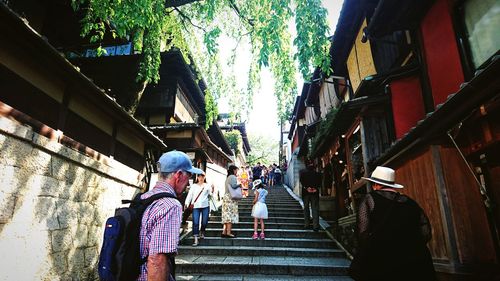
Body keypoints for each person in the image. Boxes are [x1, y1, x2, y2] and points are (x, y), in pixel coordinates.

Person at [349, 166, 436, 281]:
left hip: (383, 260)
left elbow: (362, 232)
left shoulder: (370, 199)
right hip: (415, 261)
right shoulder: (411, 203)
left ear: (376, 185)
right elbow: (426, 232)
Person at [138, 150, 203, 281]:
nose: (188, 183)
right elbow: (157, 259)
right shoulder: (170, 205)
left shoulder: (143, 198)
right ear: (178, 175)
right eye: (189, 176)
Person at [184, 172, 214, 246]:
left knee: (204, 221)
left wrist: (212, 190)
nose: (201, 178)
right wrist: (186, 203)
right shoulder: (194, 186)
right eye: (199, 177)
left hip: (205, 206)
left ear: (204, 177)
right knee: (196, 222)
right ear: (197, 177)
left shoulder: (207, 186)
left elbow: (210, 196)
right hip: (196, 206)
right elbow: (190, 195)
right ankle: (196, 239)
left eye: (202, 177)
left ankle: (202, 231)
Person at [299, 159, 321, 231]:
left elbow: (302, 182)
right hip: (314, 193)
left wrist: (307, 188)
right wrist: (315, 188)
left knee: (306, 208)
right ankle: (316, 226)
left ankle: (307, 224)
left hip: (306, 193)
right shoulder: (317, 174)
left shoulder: (303, 174)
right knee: (315, 209)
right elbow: (319, 182)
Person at [221, 165, 240, 238]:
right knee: (230, 215)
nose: (237, 171)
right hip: (230, 198)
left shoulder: (228, 177)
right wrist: (240, 185)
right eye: (236, 170)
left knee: (226, 215)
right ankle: (228, 233)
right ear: (234, 170)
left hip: (226, 197)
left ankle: (224, 232)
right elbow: (234, 186)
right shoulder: (233, 177)